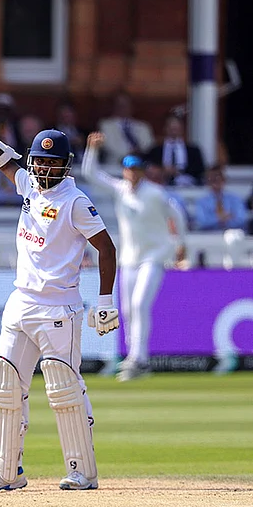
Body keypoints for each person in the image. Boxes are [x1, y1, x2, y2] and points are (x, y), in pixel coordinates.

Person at [0, 111, 118, 492]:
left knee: (64, 388)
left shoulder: (75, 200)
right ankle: (7, 473)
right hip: (20, 302)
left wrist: (105, 299)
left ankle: (82, 472)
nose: (43, 170)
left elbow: (106, 247)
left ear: (65, 166)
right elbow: (4, 160)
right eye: (39, 162)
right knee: (4, 385)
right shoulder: (30, 186)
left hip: (59, 307)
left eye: (52, 164)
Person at [82, 133, 188, 382]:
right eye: (128, 169)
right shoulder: (120, 190)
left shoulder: (155, 193)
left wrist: (181, 244)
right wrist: (92, 149)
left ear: (142, 171)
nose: (132, 173)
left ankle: (139, 358)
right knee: (129, 309)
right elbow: (90, 174)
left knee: (140, 304)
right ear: (124, 171)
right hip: (129, 258)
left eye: (136, 169)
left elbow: (178, 215)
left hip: (155, 256)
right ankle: (135, 359)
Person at [144, 114, 205, 186]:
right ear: (165, 128)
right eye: (171, 128)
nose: (173, 131)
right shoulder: (155, 150)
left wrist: (179, 171)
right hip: (161, 186)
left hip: (187, 187)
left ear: (182, 129)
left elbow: (200, 170)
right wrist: (163, 170)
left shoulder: (193, 150)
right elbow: (148, 167)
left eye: (176, 128)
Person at [97, 92, 154, 167]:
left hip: (141, 166)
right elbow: (108, 145)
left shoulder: (143, 126)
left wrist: (139, 152)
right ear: (113, 106)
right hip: (115, 166)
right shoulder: (105, 125)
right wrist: (129, 153)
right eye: (119, 105)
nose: (122, 107)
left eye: (126, 104)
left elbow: (150, 145)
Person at [192, 165, 247, 232]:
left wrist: (221, 222)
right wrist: (220, 218)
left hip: (232, 233)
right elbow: (202, 223)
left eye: (218, 179)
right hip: (209, 236)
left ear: (224, 180)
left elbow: (241, 220)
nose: (215, 182)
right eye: (212, 180)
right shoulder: (201, 202)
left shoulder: (235, 199)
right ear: (207, 181)